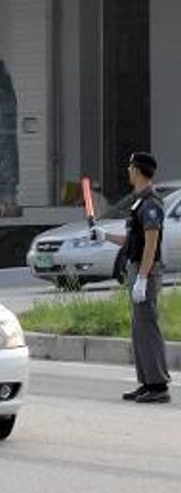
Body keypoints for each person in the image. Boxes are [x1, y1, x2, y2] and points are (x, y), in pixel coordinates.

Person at [93, 152, 171, 403]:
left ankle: (159, 385)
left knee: (147, 327)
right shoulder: (139, 201)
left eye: (130, 166)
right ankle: (147, 382)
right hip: (136, 268)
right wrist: (104, 237)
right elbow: (133, 241)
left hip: (145, 271)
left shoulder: (151, 202)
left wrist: (143, 278)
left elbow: (151, 243)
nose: (127, 170)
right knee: (139, 329)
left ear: (137, 170)